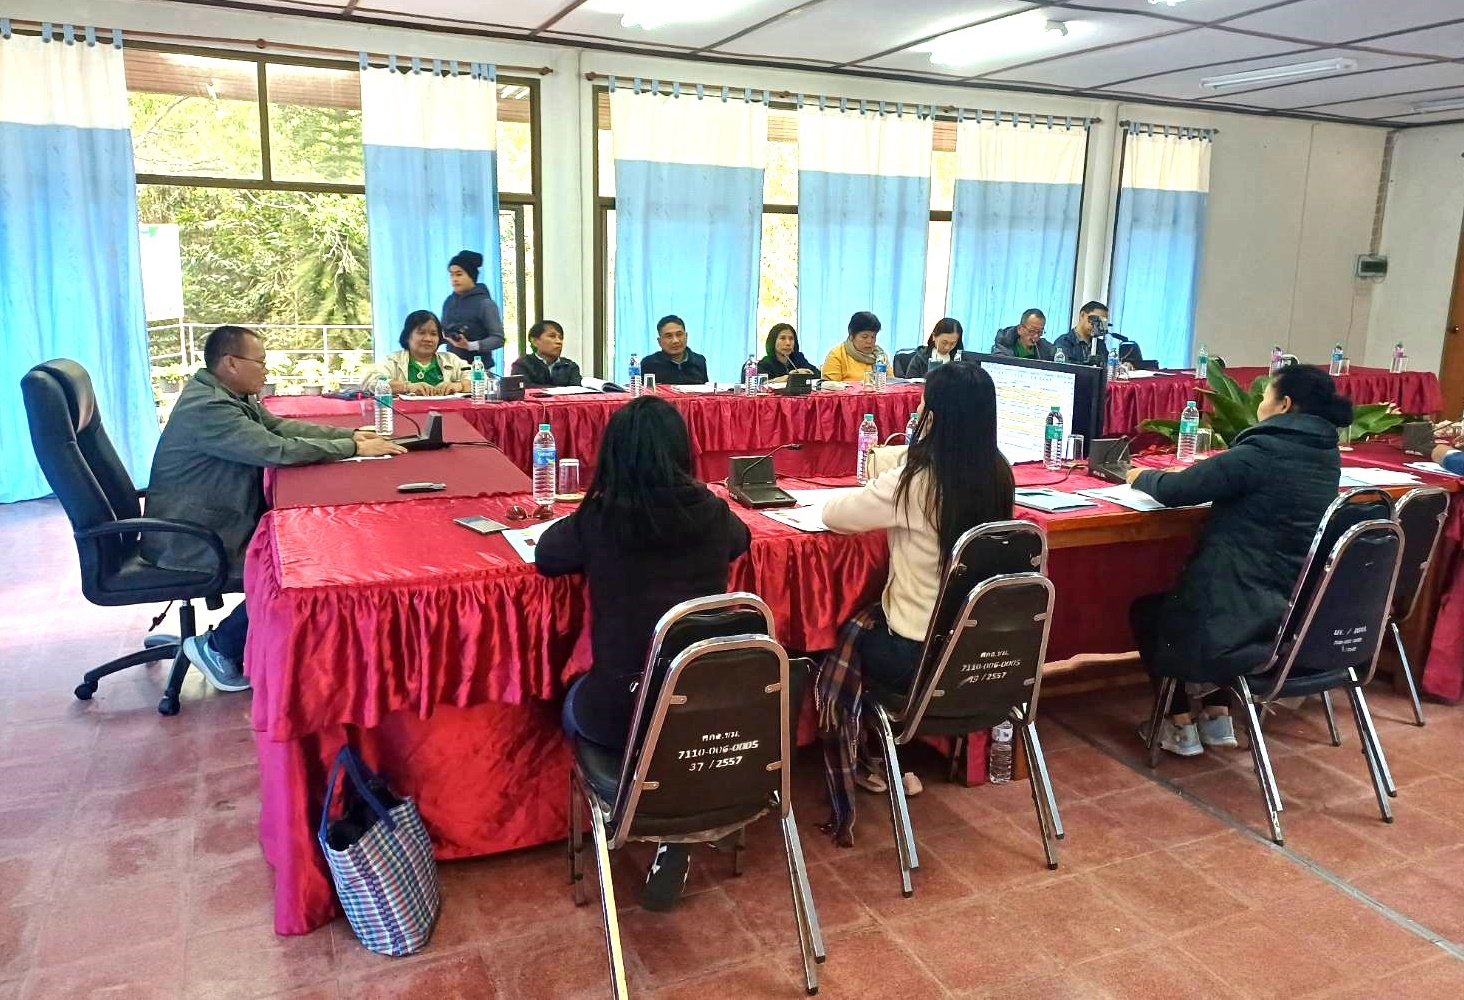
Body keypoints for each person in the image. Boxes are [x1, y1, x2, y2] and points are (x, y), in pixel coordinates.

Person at [537, 396, 751, 910]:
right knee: (671, 706)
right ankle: (674, 826)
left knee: (569, 697)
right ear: (681, 452)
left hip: (620, 715)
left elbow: (547, 555)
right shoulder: (711, 512)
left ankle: (635, 811)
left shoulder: (601, 517)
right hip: (701, 712)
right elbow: (741, 539)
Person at [142, 326, 405, 692]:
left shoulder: (226, 392)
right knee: (296, 565)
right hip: (192, 537)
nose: (266, 371)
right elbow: (275, 450)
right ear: (231, 363)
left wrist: (349, 436)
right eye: (260, 362)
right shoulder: (210, 408)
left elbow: (277, 428)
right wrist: (353, 449)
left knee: (304, 542)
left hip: (209, 517)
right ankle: (218, 647)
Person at [817, 362, 1015, 842]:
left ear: (934, 415)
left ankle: (871, 758)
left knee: (838, 638)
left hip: (916, 656)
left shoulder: (915, 481)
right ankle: (883, 758)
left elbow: (834, 515)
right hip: (978, 655)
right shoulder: (1000, 472)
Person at [1125, 365, 1352, 757]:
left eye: (1265, 395)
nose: (1260, 402)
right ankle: (1218, 716)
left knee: (1151, 612)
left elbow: (1177, 490)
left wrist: (1138, 476)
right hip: (1283, 610)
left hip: (1235, 610)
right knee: (1208, 602)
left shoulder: (1261, 452)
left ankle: (1179, 725)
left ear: (1284, 404)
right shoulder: (1325, 452)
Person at [359, 310, 471, 396]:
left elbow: (478, 377)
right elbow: (370, 381)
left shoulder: (451, 360)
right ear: (407, 336)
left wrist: (459, 385)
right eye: (421, 332)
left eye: (433, 334)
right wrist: (407, 387)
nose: (428, 339)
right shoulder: (393, 361)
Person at [440, 249, 506, 370]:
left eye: (459, 274)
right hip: (452, 368)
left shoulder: (485, 303)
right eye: (451, 275)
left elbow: (498, 339)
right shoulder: (449, 302)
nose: (454, 279)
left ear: (471, 276)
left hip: (479, 370)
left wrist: (470, 345)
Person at [511, 320, 583, 388]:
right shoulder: (522, 365)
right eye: (552, 336)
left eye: (561, 338)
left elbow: (577, 390)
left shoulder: (570, 366)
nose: (559, 341)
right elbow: (524, 389)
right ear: (535, 341)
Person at [822, 311, 890, 383]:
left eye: (873, 337)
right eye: (865, 337)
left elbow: (892, 383)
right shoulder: (837, 355)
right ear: (851, 336)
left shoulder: (880, 355)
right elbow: (829, 386)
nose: (869, 341)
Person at [640, 315, 709, 385]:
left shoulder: (699, 361)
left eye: (679, 334)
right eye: (669, 336)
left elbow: (707, 389)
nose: (675, 341)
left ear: (686, 336)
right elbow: (645, 391)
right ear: (659, 341)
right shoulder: (649, 363)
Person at [899, 317, 965, 377]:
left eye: (953, 343)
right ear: (934, 336)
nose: (947, 347)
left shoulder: (961, 359)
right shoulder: (920, 358)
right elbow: (909, 383)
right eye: (944, 342)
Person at [1052, 301, 1110, 366]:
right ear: (1082, 315)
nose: (1097, 325)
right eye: (1094, 319)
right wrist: (1088, 364)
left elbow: (1108, 366)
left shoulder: (1100, 345)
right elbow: (1064, 367)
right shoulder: (1064, 342)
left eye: (1102, 322)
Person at [992, 308, 1056, 362]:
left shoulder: (1045, 348)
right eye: (1031, 331)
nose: (1036, 336)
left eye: (1040, 332)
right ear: (1020, 329)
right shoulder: (1004, 346)